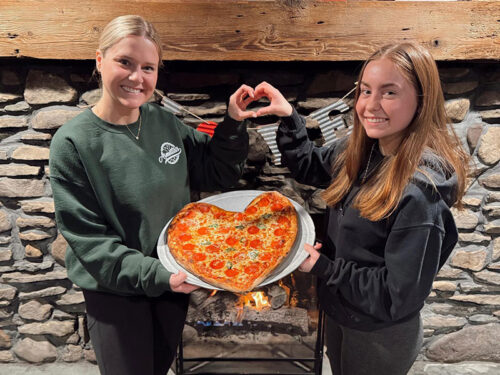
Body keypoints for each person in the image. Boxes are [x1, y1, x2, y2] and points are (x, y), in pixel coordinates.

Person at [49, 15, 255, 375]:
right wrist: (161, 275)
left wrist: (234, 121)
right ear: (99, 61)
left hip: (171, 277)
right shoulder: (73, 142)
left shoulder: (161, 121)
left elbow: (217, 171)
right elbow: (92, 243)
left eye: (149, 67)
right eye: (125, 62)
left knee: (159, 368)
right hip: (115, 291)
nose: (137, 78)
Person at [252, 43, 469, 374]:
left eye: (389, 92)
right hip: (341, 311)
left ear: (421, 101)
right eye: (366, 90)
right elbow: (309, 164)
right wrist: (288, 116)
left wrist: (325, 269)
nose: (369, 105)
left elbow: (396, 297)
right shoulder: (362, 149)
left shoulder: (419, 195)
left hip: (378, 334)